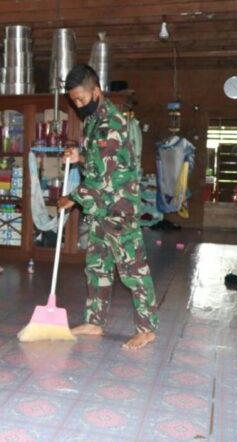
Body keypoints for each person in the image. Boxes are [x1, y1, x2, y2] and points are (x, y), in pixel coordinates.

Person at [58, 64, 159, 350]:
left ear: (97, 91)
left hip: (118, 208)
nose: (78, 105)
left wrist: (73, 198)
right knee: (97, 266)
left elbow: (102, 179)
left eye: (81, 99)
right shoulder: (93, 119)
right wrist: (79, 155)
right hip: (100, 209)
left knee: (133, 269)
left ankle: (147, 328)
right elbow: (97, 159)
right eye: (73, 100)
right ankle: (94, 321)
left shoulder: (110, 124)